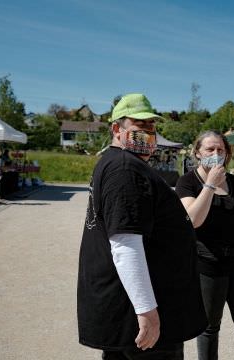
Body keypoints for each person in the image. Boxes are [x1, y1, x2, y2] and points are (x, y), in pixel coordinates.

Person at [77, 93, 207, 359]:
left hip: (134, 312)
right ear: (117, 128)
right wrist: (147, 312)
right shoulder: (125, 169)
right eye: (139, 125)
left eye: (152, 126)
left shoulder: (121, 164)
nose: (148, 133)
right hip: (139, 318)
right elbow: (126, 245)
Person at [175, 130, 234, 360]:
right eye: (210, 149)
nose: (216, 154)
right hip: (209, 267)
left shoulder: (232, 181)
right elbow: (193, 220)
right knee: (210, 328)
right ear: (197, 153)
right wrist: (210, 185)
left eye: (220, 150)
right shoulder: (187, 182)